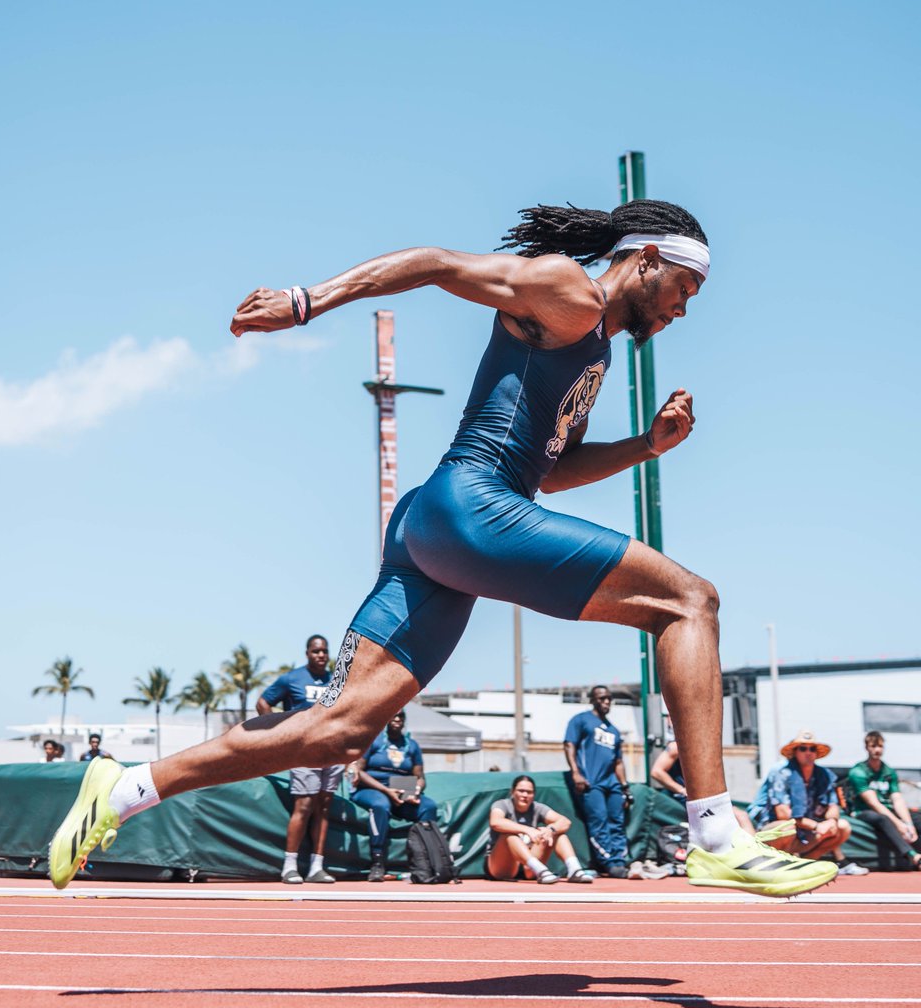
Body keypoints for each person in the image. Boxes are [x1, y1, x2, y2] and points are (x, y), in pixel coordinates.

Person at [49, 199, 837, 898]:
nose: (683, 312)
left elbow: (551, 475)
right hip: (470, 509)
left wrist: (645, 447)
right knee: (689, 600)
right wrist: (308, 300)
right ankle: (714, 833)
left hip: (438, 523)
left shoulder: (589, 346)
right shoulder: (568, 289)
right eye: (686, 291)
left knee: (339, 730)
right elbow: (435, 265)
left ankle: (124, 789)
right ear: (651, 260)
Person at [256, 635, 340, 884]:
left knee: (323, 808)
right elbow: (263, 702)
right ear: (307, 654)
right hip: (304, 751)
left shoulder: (336, 679)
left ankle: (317, 866)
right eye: (316, 651)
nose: (321, 655)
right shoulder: (292, 678)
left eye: (324, 651)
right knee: (303, 806)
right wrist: (277, 734)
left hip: (332, 750)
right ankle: (289, 865)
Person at [749, 730, 866, 874]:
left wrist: (830, 822)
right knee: (787, 828)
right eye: (803, 748)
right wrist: (817, 825)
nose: (808, 752)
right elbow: (783, 815)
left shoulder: (824, 775)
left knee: (842, 827)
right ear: (795, 752)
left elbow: (833, 807)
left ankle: (803, 865)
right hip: (774, 830)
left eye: (812, 748)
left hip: (805, 831)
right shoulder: (781, 772)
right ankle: (780, 866)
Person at [351, 710, 437, 882]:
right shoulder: (374, 739)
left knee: (428, 806)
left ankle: (425, 862)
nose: (397, 719)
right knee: (381, 805)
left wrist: (415, 791)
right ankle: (377, 862)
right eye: (393, 715)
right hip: (373, 786)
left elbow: (420, 777)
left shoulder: (411, 745)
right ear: (386, 719)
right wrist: (386, 791)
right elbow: (358, 771)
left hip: (402, 788)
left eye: (401, 716)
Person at [564, 685, 632, 877]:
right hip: (591, 782)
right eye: (602, 698)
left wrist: (625, 786)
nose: (606, 702)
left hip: (612, 783)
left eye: (609, 698)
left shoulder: (614, 730)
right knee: (599, 821)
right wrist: (575, 773)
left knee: (617, 822)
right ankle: (609, 862)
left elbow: (618, 761)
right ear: (593, 700)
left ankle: (620, 860)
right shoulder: (580, 720)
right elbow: (570, 745)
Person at [486, 774, 592, 883]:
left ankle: (574, 870)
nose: (525, 795)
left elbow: (565, 822)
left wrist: (550, 830)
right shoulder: (501, 805)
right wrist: (527, 830)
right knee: (509, 836)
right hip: (502, 865)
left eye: (529, 792)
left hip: (529, 868)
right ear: (512, 792)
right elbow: (495, 822)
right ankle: (541, 871)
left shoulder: (538, 808)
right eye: (521, 791)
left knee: (558, 833)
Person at [846, 731, 921, 870]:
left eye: (880, 746)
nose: (877, 750)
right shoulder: (858, 772)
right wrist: (899, 824)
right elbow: (873, 803)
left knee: (917, 819)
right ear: (867, 747)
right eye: (873, 746)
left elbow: (897, 799)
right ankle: (912, 856)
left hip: (887, 809)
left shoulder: (888, 771)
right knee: (883, 819)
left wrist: (908, 823)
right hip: (863, 811)